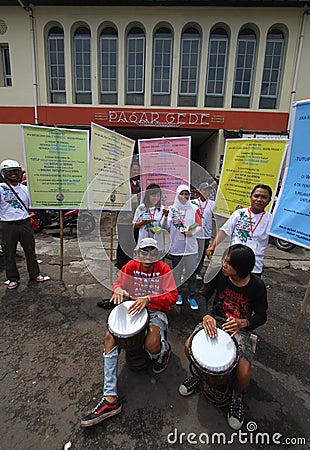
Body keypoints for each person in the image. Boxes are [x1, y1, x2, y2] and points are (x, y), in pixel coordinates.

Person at [81, 237, 178, 427]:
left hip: (155, 311)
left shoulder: (164, 269)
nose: (148, 257)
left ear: (157, 255)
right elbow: (118, 284)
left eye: (152, 252)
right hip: (132, 308)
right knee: (109, 337)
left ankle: (163, 351)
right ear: (137, 254)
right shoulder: (130, 266)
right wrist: (116, 289)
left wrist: (149, 299)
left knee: (152, 345)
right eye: (144, 252)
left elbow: (173, 296)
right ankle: (110, 398)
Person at [179, 244, 268, 430]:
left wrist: (244, 323)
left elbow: (261, 316)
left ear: (241, 269)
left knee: (243, 373)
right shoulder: (219, 274)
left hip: (239, 329)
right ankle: (200, 376)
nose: (224, 265)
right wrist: (206, 315)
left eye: (229, 263)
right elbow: (203, 296)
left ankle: (236, 396)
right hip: (215, 320)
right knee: (188, 347)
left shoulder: (257, 286)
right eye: (225, 260)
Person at [0, 159, 48, 289]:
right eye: (10, 171)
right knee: (9, 253)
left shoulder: (25, 189)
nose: (14, 173)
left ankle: (35, 274)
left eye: (16, 171)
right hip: (7, 225)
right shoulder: (0, 189)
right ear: (4, 173)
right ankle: (12, 278)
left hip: (25, 223)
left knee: (30, 251)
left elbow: (31, 205)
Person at [206, 184, 272, 275]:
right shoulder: (239, 214)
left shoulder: (271, 220)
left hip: (254, 267)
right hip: (232, 265)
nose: (259, 199)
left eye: (264, 197)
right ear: (251, 197)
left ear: (269, 201)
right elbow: (224, 231)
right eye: (256, 196)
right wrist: (212, 246)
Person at [161, 184, 201, 310]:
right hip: (176, 247)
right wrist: (165, 215)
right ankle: (177, 293)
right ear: (177, 195)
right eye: (182, 194)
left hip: (190, 247)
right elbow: (164, 226)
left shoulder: (194, 208)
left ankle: (192, 296)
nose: (184, 197)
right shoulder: (172, 209)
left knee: (191, 273)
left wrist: (191, 233)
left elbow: (199, 224)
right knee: (176, 271)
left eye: (186, 194)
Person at [191, 182, 215, 280]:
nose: (206, 192)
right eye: (204, 190)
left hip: (206, 234)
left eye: (208, 190)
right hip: (194, 234)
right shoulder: (192, 203)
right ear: (199, 191)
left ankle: (198, 271)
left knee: (201, 255)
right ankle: (189, 270)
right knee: (192, 253)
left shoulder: (212, 204)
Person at [133, 183, 166, 254]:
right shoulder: (141, 208)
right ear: (148, 195)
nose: (156, 198)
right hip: (143, 242)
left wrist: (165, 216)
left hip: (157, 243)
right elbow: (134, 225)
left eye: (158, 196)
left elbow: (164, 226)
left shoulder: (162, 209)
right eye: (153, 195)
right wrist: (143, 223)